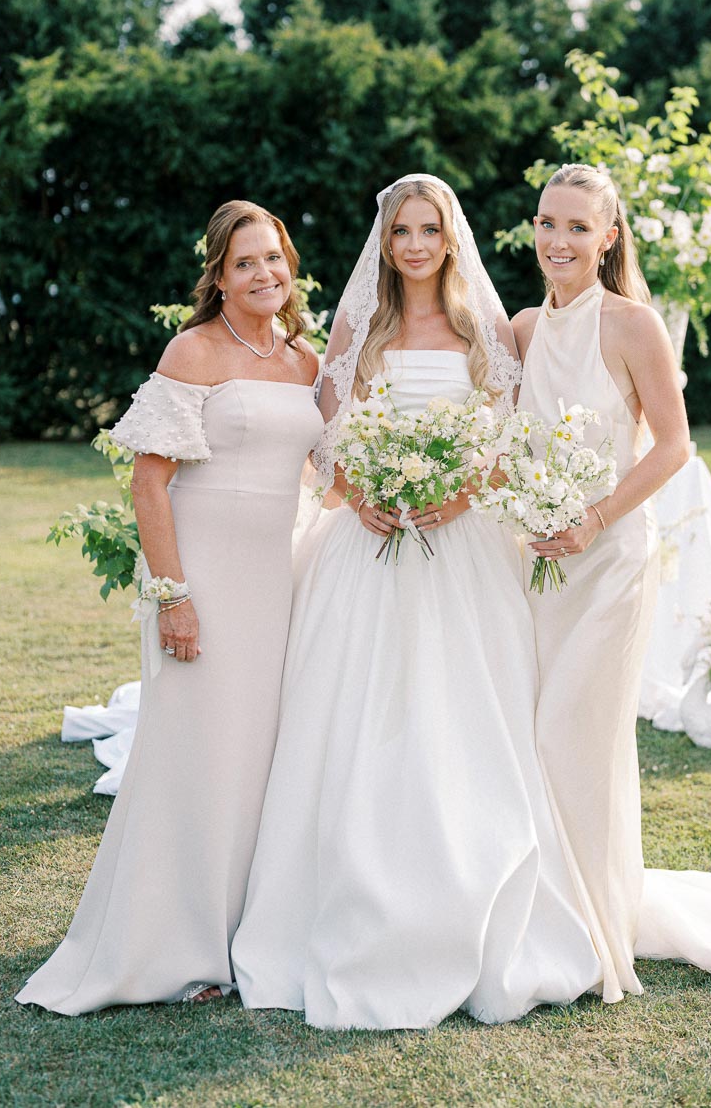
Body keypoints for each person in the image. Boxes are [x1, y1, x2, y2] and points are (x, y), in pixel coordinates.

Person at [230, 174, 606, 1029]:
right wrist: (358, 488)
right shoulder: (360, 326)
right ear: (385, 239)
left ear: (449, 237)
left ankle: (465, 889)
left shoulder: (481, 327)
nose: (413, 245)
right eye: (400, 230)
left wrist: (464, 491)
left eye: (428, 229)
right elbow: (325, 426)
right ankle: (348, 893)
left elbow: (505, 435)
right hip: (368, 538)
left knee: (460, 712)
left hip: (461, 546)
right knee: (356, 713)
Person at [513, 163, 711, 1070]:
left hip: (608, 560)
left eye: (578, 227)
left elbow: (676, 443)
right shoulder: (523, 327)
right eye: (546, 223)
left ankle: (588, 924)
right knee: (527, 733)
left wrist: (592, 519)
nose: (558, 242)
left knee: (573, 734)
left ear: (609, 236)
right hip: (531, 562)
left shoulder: (634, 325)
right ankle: (533, 910)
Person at [16, 200, 322, 1014]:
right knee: (197, 758)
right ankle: (175, 944)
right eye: (245, 262)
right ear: (218, 277)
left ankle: (241, 932)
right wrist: (173, 597)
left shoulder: (305, 362)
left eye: (273, 258)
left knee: (258, 761)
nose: (264, 274)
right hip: (204, 579)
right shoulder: (193, 350)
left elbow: (333, 469)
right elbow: (150, 480)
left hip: (278, 581)